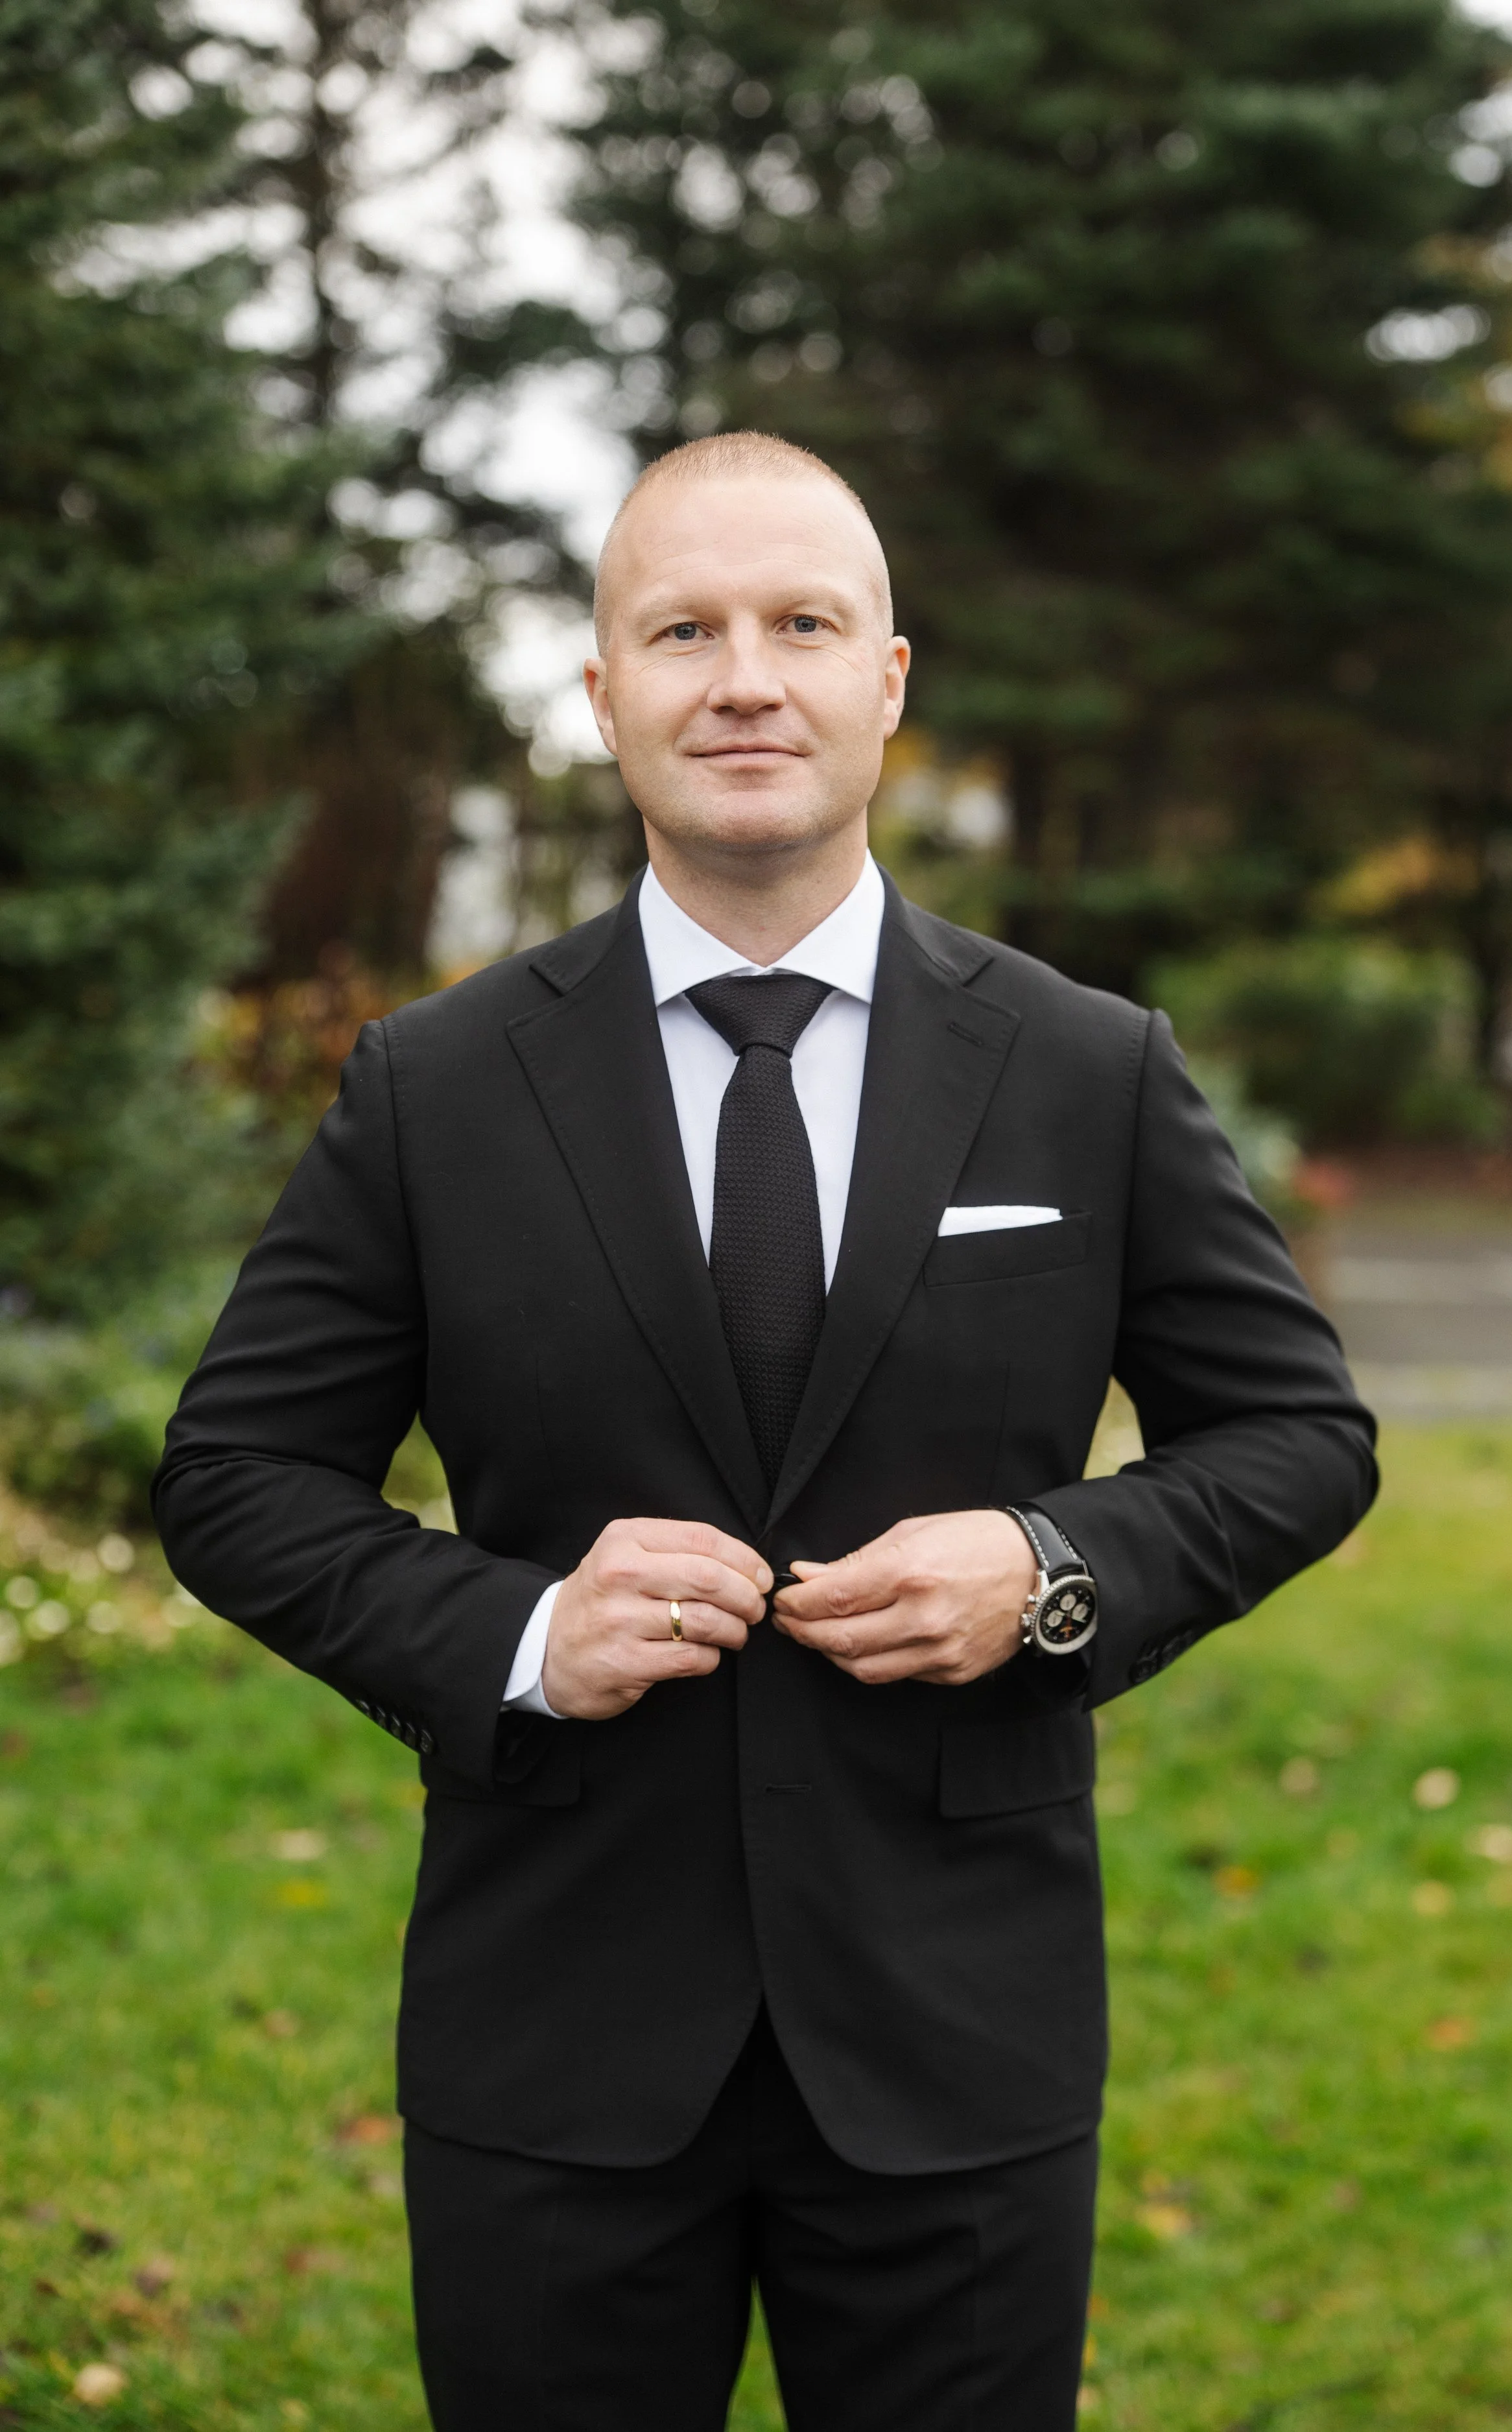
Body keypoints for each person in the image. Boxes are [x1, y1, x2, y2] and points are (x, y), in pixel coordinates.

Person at [154, 431, 1377, 2432]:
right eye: (682, 632)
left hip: (956, 2033)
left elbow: (1298, 1433)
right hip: (553, 2034)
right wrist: (521, 1631)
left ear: (885, 682)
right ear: (602, 694)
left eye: (801, 625)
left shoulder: (1085, 1069)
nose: (744, 679)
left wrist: (1051, 1564)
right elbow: (233, 1476)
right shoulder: (433, 1088)